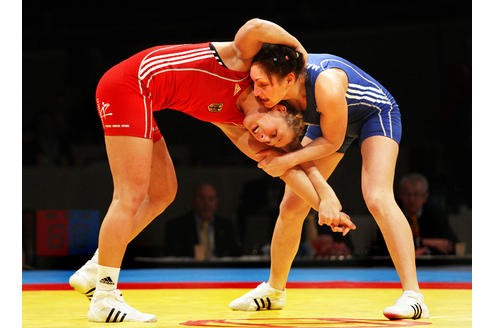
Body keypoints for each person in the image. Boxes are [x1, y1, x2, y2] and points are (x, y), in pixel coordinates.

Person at [68, 19, 356, 323]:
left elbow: (289, 168)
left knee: (163, 191)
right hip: (130, 84)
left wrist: (325, 200)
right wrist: (299, 49)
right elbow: (256, 26)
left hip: (142, 98)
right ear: (279, 108)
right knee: (130, 194)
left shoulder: (236, 127)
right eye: (274, 134)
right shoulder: (242, 66)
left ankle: (95, 270)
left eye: (271, 143)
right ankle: (105, 296)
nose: (264, 140)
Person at [229, 44, 429, 320]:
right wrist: (320, 193)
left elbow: (331, 141)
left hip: (375, 114)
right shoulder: (277, 99)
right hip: (330, 122)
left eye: (262, 84)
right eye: (255, 83)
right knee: (291, 206)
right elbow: (301, 147)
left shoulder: (326, 83)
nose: (257, 92)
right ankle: (274, 290)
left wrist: (285, 163)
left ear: (288, 79)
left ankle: (414, 296)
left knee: (377, 197)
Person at [370, 172, 457, 256]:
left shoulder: (436, 215)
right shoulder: (390, 216)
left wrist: (425, 250)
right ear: (399, 195)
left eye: (416, 194)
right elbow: (382, 248)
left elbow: (451, 246)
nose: (411, 199)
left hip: (432, 268)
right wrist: (425, 242)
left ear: (425, 196)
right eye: (407, 194)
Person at [163, 182, 242, 259]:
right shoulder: (177, 226)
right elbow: (172, 255)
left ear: (216, 202)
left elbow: (235, 254)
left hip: (220, 270)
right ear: (193, 201)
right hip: (190, 270)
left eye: (211, 199)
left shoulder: (227, 226)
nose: (206, 203)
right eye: (201, 198)